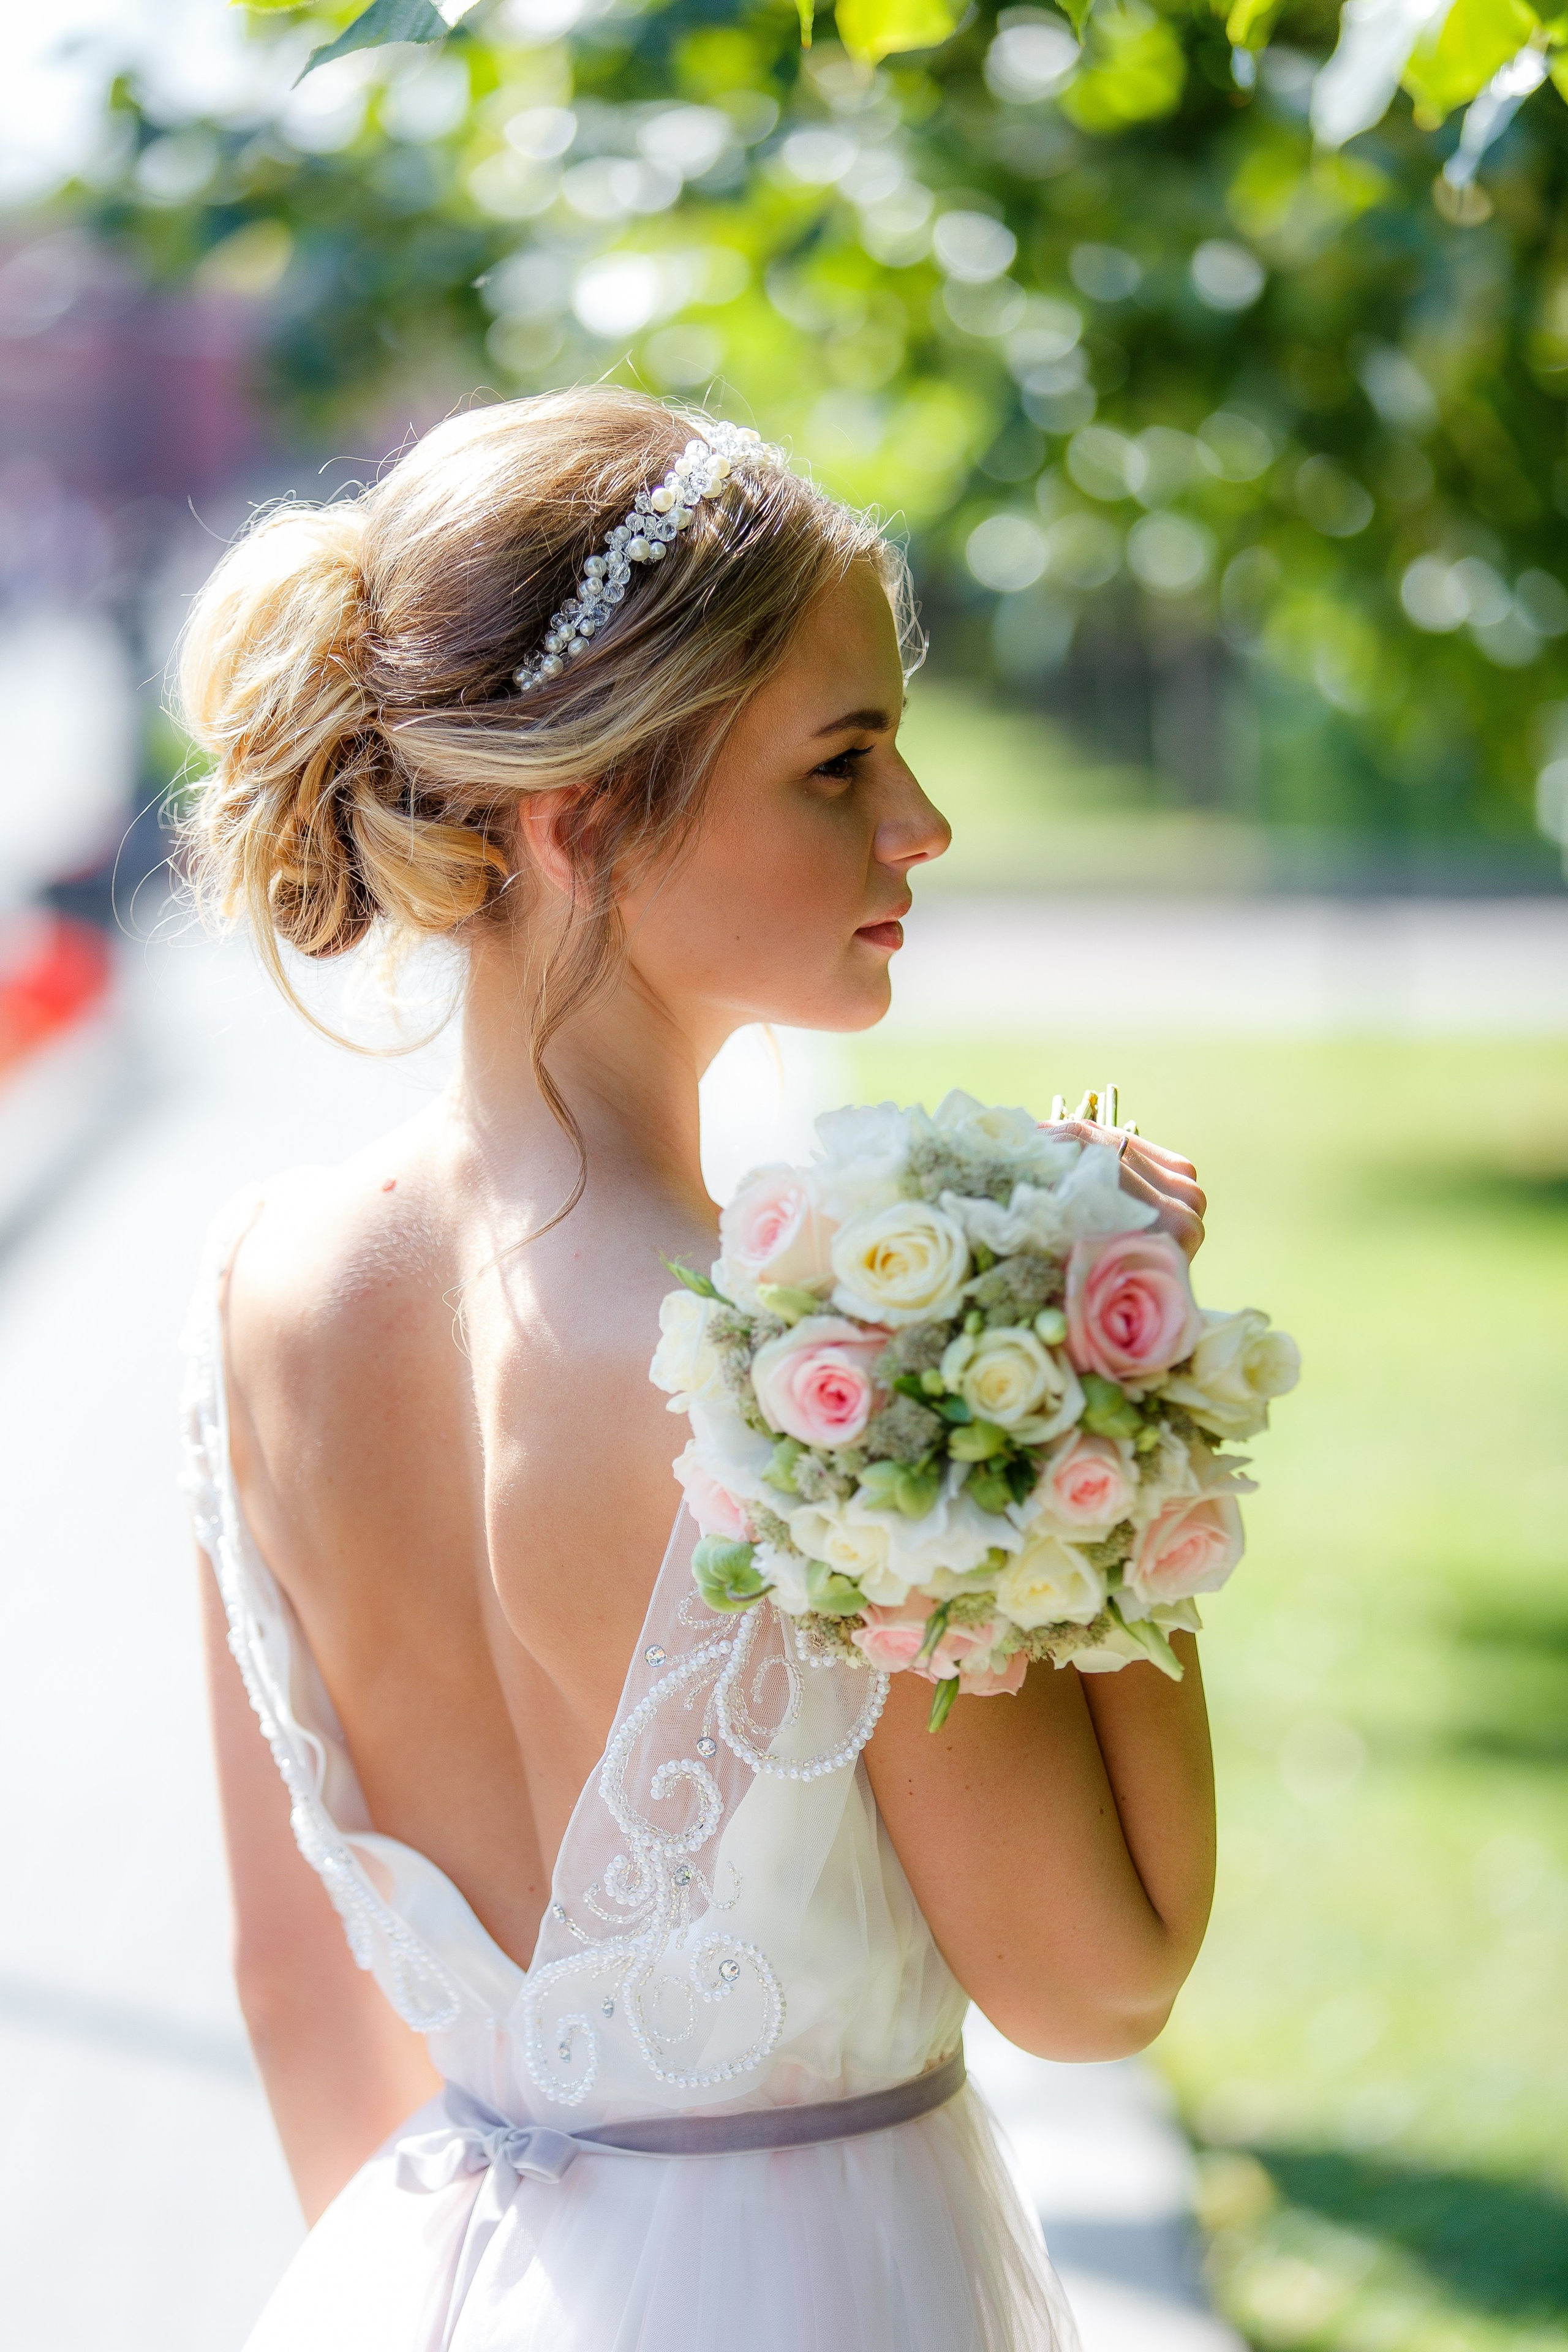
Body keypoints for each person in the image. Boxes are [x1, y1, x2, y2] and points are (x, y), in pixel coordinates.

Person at [179, 388, 1214, 2352]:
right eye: (841, 763)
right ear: (580, 822)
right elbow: (1102, 1979)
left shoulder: (259, 1290)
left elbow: (298, 1994)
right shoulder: (822, 1346)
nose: (923, 825)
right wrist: (1093, 1393)